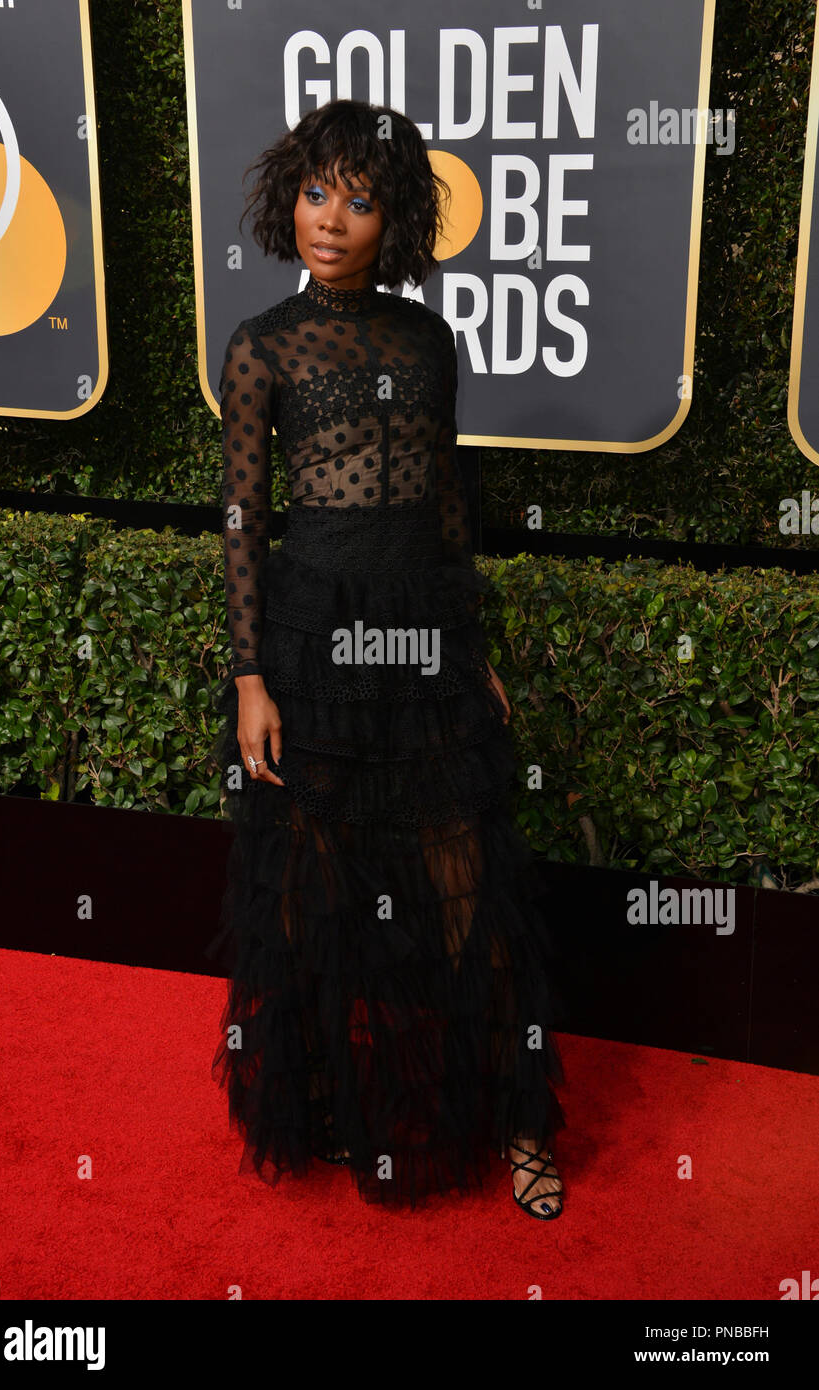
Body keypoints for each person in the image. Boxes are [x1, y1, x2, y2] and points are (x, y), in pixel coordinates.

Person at [208, 98, 566, 1218]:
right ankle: (331, 1102)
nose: (332, 218)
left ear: (394, 221)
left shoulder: (428, 341)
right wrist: (251, 677)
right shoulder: (260, 346)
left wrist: (471, 652)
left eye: (361, 200)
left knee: (468, 888)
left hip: (421, 646)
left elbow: (448, 508)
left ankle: (517, 1116)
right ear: (289, 199)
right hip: (312, 643)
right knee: (314, 890)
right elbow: (240, 522)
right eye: (317, 191)